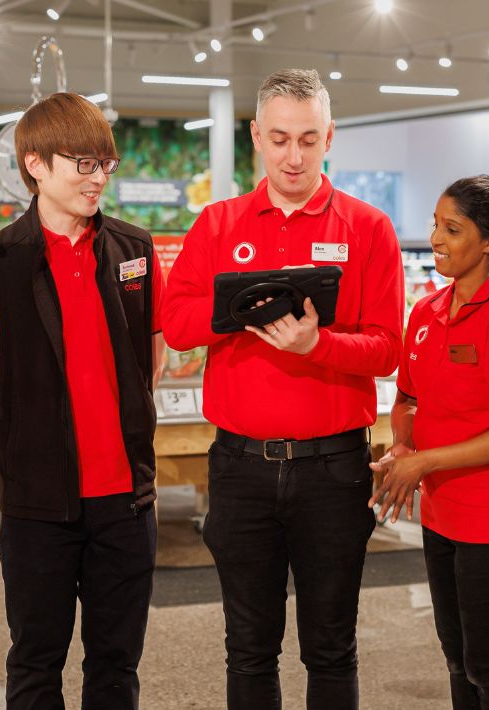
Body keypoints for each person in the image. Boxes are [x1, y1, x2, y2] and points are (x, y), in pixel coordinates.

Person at [162, 68, 405, 710]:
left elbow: (386, 349)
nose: (293, 156)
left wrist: (315, 345)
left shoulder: (369, 228)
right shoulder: (217, 224)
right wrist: (239, 309)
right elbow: (177, 325)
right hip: (240, 467)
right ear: (255, 138)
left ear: (330, 137)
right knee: (248, 648)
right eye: (279, 139)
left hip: (334, 469)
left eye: (307, 139)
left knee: (330, 647)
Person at [0, 92, 164, 710]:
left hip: (127, 502)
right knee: (36, 663)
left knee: (116, 666)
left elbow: (148, 358)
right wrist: (25, 454)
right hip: (38, 509)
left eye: (105, 163)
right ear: (35, 165)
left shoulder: (136, 251)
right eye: (82, 162)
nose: (97, 177)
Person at [369, 176, 489, 709]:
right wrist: (404, 446)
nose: (436, 239)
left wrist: (425, 459)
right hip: (442, 511)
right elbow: (406, 398)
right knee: (456, 658)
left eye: (452, 229)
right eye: (434, 225)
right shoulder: (425, 313)